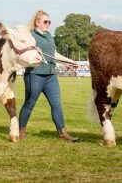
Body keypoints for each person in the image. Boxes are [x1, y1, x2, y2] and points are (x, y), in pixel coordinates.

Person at [19, 10, 79, 142]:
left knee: (56, 104)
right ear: (37, 22)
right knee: (29, 104)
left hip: (51, 76)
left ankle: (63, 133)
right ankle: (20, 131)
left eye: (49, 22)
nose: (48, 24)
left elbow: (54, 54)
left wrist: (71, 61)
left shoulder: (49, 36)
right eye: (45, 22)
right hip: (35, 75)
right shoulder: (31, 36)